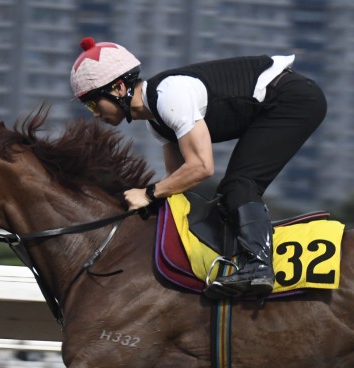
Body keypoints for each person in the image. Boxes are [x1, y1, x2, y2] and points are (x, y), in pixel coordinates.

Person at [70, 37, 327, 298]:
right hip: (279, 102)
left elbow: (202, 168)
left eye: (92, 102)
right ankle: (242, 262)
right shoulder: (156, 122)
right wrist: (149, 203)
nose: (94, 113)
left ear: (119, 87)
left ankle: (259, 266)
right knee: (229, 195)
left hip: (293, 99)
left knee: (239, 186)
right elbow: (177, 181)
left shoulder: (169, 96)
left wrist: (147, 194)